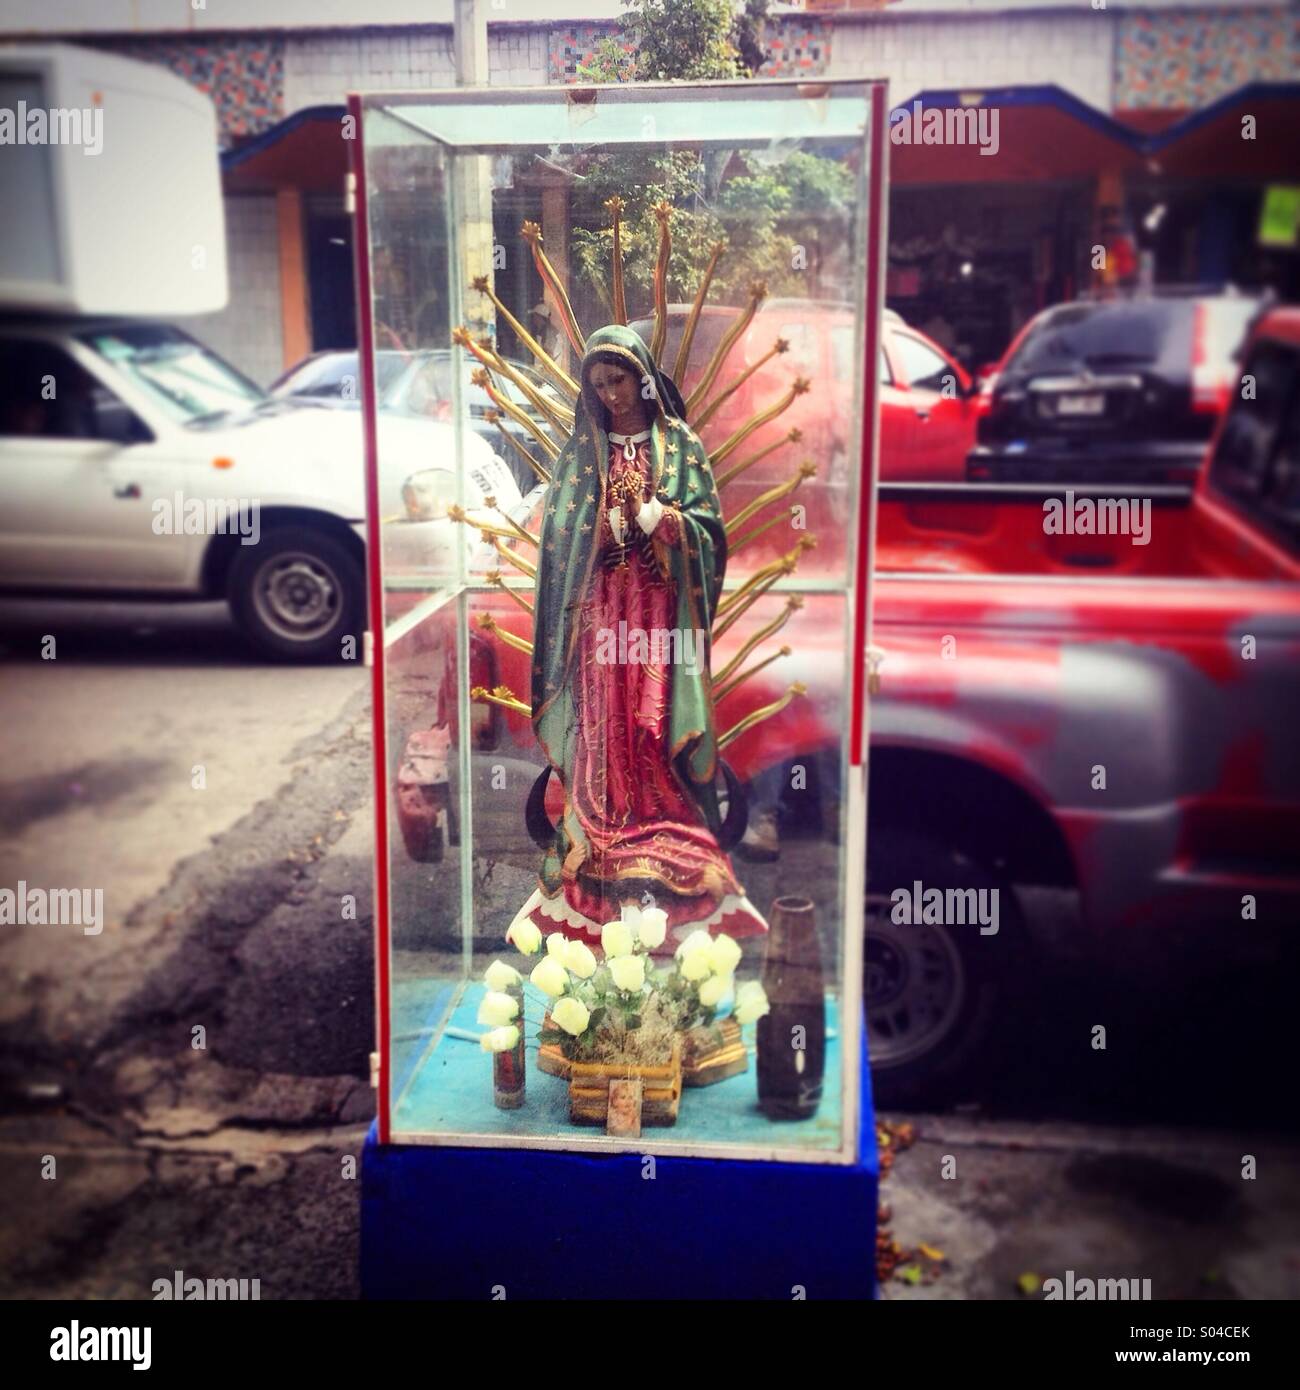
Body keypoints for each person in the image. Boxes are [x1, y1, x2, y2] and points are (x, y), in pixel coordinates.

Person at [509, 325, 767, 949]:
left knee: (653, 721)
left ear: (643, 379)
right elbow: (559, 541)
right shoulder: (584, 454)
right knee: (605, 721)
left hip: (657, 611)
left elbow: (710, 535)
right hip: (601, 614)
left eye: (619, 381)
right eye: (598, 385)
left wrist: (668, 522)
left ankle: (663, 823)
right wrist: (598, 529)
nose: (610, 395)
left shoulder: (679, 446)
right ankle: (601, 830)